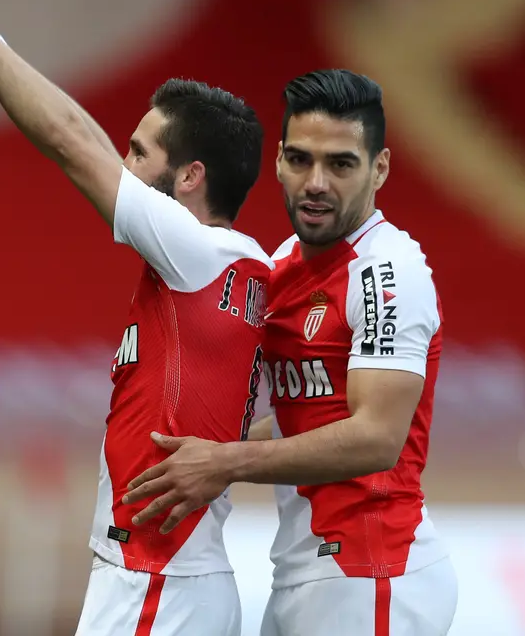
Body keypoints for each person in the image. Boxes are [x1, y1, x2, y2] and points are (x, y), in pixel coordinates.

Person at [0, 0, 272, 636]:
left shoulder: (193, 252)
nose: (120, 160)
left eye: (140, 152)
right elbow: (88, 136)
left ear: (190, 178)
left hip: (155, 585)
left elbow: (70, 140)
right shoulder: (241, 267)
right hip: (173, 579)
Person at [123, 69, 458, 635]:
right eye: (301, 160)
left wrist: (224, 462)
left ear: (380, 169)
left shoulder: (388, 270)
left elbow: (376, 436)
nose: (316, 182)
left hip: (373, 574)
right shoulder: (282, 264)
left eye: (341, 164)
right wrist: (195, 451)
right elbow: (301, 418)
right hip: (305, 573)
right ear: (277, 160)